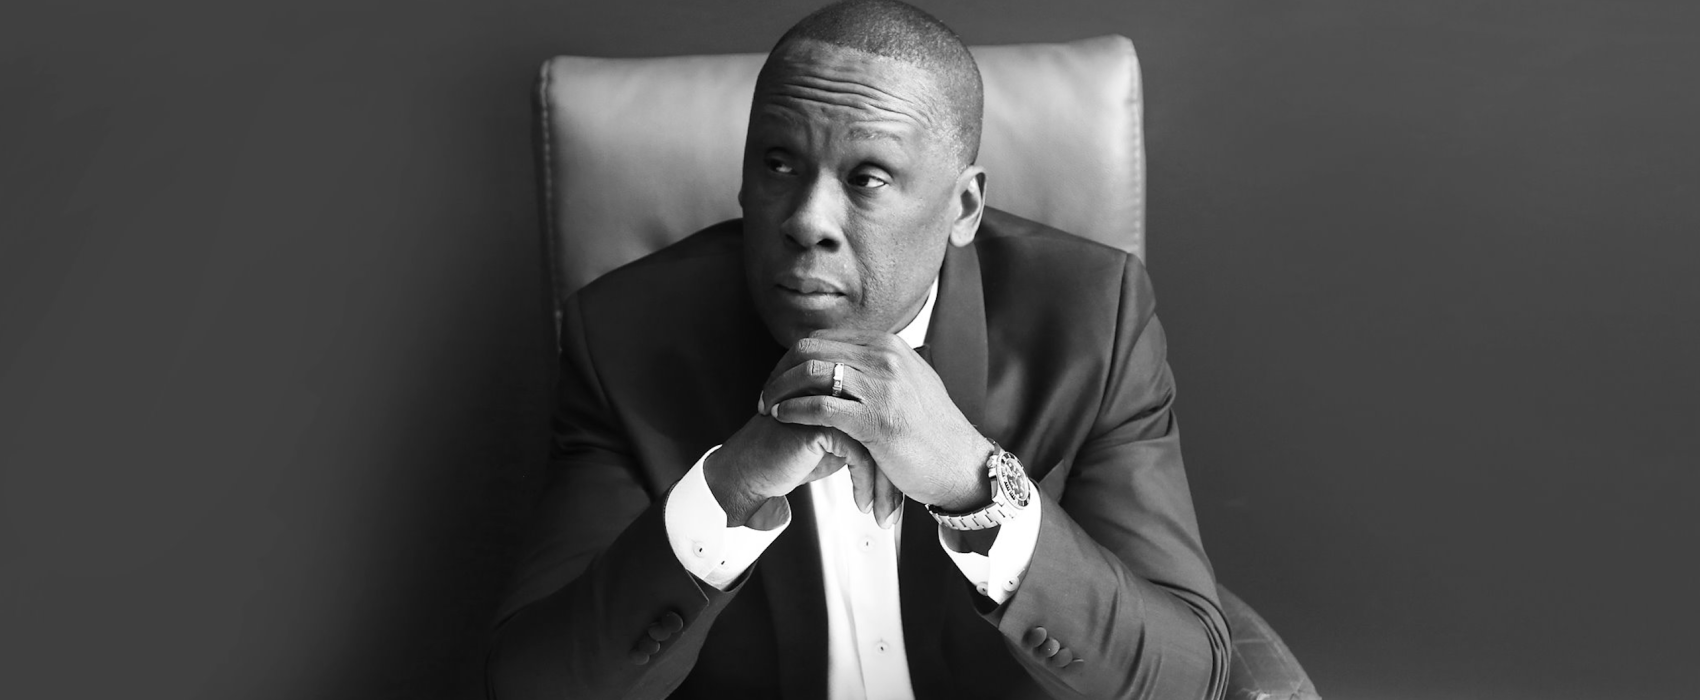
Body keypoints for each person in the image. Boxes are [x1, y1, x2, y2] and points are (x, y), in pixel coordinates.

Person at [487, 1, 1230, 698]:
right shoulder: (626, 335)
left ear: (963, 208)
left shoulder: (1091, 317)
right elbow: (534, 683)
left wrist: (977, 486)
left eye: (867, 178)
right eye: (778, 164)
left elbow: (1187, 676)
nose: (807, 220)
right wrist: (731, 488)